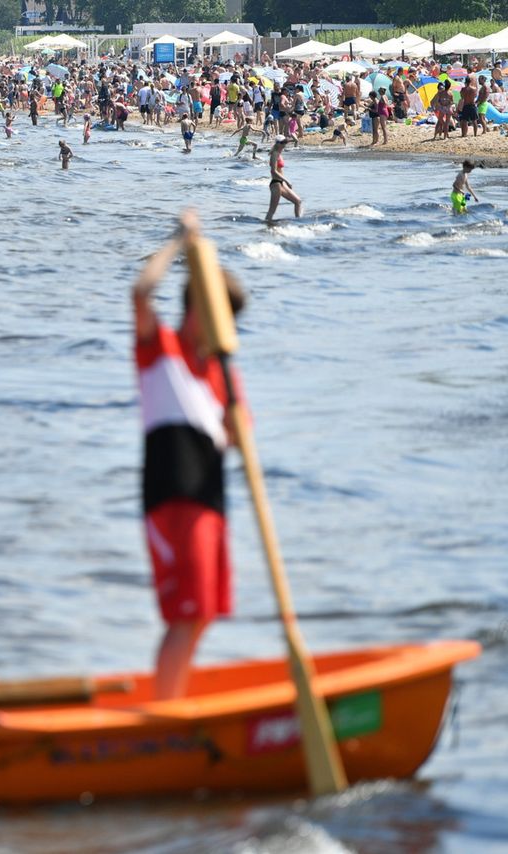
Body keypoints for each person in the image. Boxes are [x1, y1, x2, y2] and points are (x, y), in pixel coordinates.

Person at [131, 211, 247, 700]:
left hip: (210, 497)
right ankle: (165, 715)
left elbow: (238, 441)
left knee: (203, 613)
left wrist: (238, 422)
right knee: (185, 613)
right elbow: (141, 294)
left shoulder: (225, 375)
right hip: (172, 495)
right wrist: (179, 244)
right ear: (199, 309)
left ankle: (171, 698)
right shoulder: (161, 348)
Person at [264, 136, 302, 224]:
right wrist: (287, 181)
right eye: (282, 143)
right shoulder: (274, 154)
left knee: (298, 201)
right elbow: (273, 171)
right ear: (278, 144)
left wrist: (284, 182)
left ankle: (299, 222)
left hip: (281, 183)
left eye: (285, 142)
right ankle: (267, 228)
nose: (284, 144)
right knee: (272, 210)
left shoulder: (280, 154)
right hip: (276, 184)